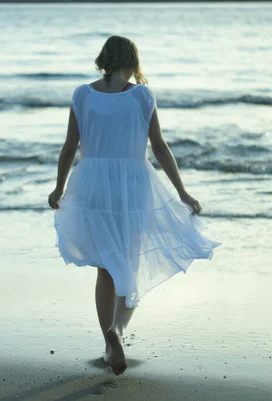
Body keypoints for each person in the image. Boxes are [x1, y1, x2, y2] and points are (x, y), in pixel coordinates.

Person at [48, 35, 221, 376]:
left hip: (93, 184)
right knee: (129, 261)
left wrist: (59, 187)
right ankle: (118, 331)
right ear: (133, 60)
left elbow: (70, 148)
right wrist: (182, 192)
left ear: (104, 59)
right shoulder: (142, 96)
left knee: (104, 267)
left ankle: (107, 342)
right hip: (132, 184)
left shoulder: (82, 94)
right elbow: (159, 147)